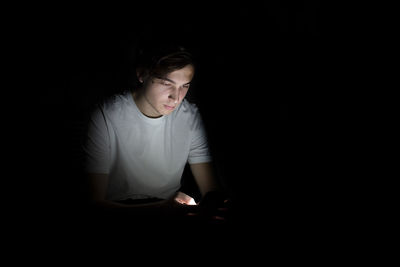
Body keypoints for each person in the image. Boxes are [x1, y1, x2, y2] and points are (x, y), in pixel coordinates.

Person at [82, 43, 229, 224]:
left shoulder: (190, 116)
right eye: (167, 83)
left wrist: (206, 207)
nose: (176, 97)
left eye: (184, 86)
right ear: (142, 74)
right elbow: (93, 205)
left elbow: (211, 191)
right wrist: (162, 210)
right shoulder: (105, 115)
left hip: (170, 215)